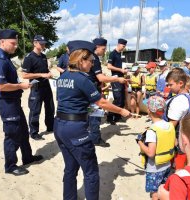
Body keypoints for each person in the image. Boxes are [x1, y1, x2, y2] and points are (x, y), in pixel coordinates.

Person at [54, 40, 131, 200]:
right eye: (91, 61)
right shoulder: (83, 79)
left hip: (60, 126)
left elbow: (71, 99)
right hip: (75, 129)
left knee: (70, 168)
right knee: (91, 172)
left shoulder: (63, 77)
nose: (92, 64)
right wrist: (121, 110)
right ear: (81, 60)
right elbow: (101, 102)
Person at [0, 29, 43, 176]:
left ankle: (27, 157)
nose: (15, 46)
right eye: (13, 43)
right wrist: (20, 86)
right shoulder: (0, 60)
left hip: (13, 102)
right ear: (2, 42)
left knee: (23, 131)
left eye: (16, 43)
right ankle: (10, 166)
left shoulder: (6, 58)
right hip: (7, 103)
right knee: (12, 134)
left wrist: (18, 84)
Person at [88, 38, 128, 147]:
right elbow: (100, 77)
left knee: (89, 115)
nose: (105, 51)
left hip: (89, 89)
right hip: (93, 91)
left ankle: (89, 136)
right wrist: (117, 79)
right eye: (103, 49)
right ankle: (95, 139)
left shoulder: (87, 56)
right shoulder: (94, 58)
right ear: (97, 47)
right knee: (95, 115)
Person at [136, 96, 175, 200]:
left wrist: (139, 141)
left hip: (154, 169)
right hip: (167, 165)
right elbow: (173, 143)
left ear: (149, 110)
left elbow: (150, 153)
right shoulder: (170, 125)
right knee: (163, 189)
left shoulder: (152, 130)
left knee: (155, 193)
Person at [22, 35, 55, 140]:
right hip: (36, 87)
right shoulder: (29, 58)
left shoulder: (44, 56)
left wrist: (48, 73)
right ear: (35, 43)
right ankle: (33, 132)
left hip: (46, 86)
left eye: (44, 43)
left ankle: (50, 127)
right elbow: (24, 75)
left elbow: (45, 71)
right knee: (35, 110)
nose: (44, 45)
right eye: (41, 43)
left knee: (50, 108)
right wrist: (41, 75)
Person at [164, 68, 190, 170]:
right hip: (186, 140)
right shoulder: (188, 97)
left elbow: (172, 125)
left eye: (171, 85)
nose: (168, 87)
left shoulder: (178, 101)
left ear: (180, 83)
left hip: (177, 142)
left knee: (177, 169)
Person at [107, 38, 128, 125]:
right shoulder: (113, 54)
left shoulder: (120, 55)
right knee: (117, 99)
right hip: (115, 79)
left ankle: (118, 116)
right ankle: (110, 116)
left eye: (125, 46)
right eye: (123, 46)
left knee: (122, 99)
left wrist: (124, 70)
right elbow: (109, 66)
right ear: (119, 44)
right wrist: (120, 70)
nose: (124, 48)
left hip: (122, 78)